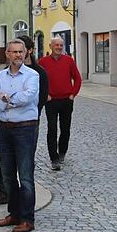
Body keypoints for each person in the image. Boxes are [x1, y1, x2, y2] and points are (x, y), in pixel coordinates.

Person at [0, 39, 40, 232]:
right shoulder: (1, 76)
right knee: (7, 174)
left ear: (26, 53)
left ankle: (27, 219)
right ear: (7, 54)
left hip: (25, 129)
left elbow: (29, 96)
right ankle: (14, 214)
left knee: (25, 176)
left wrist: (6, 99)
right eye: (14, 52)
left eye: (21, 52)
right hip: (5, 129)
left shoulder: (32, 75)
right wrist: (6, 102)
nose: (17, 55)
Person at [38, 36, 82, 170]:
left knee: (65, 129)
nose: (59, 47)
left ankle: (62, 151)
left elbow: (78, 78)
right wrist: (45, 95)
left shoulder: (69, 61)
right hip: (51, 101)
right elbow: (37, 80)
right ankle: (54, 158)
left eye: (61, 45)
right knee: (52, 129)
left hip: (66, 101)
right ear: (50, 46)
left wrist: (73, 94)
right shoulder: (43, 62)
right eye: (56, 45)